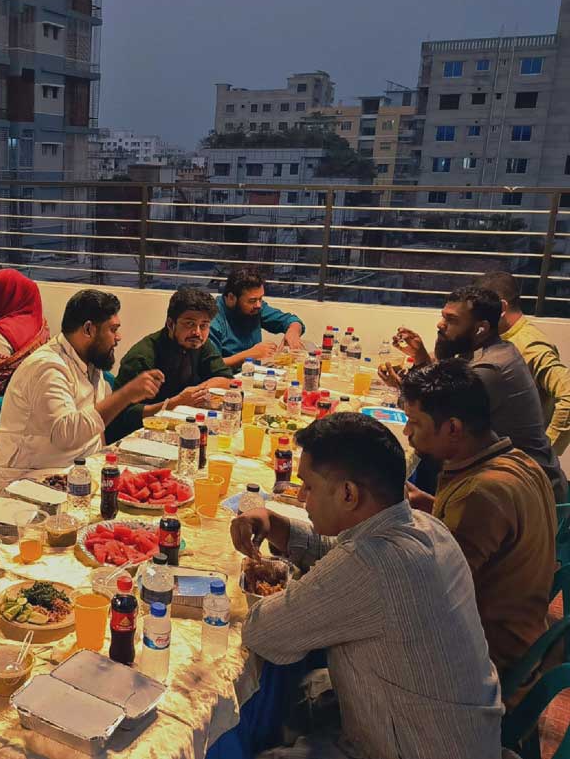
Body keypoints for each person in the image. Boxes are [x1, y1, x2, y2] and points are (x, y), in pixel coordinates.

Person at [231, 412, 502, 759]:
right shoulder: (424, 526)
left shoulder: (370, 565)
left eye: (309, 486)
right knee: (306, 691)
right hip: (460, 733)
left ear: (348, 493)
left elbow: (262, 633)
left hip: (412, 747)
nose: (301, 498)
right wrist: (276, 525)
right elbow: (336, 551)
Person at [400, 359, 556, 677]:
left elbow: (432, 593)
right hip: (523, 635)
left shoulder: (480, 494)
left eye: (414, 423)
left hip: (485, 658)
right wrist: (427, 505)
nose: (407, 432)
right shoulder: (519, 461)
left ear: (453, 428)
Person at [380, 285, 567, 500]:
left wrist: (404, 387)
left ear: (481, 328)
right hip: (508, 481)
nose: (440, 325)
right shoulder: (489, 351)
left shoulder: (489, 369)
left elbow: (432, 414)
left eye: (451, 320)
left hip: (528, 492)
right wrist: (421, 359)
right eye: (443, 317)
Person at [0, 290, 163, 491]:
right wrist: (125, 395)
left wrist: (105, 463)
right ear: (89, 329)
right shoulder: (47, 368)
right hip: (30, 476)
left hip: (75, 468)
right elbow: (66, 435)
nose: (119, 337)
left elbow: (95, 429)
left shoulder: (91, 360)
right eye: (113, 329)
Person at [476, 270, 570, 455]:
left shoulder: (530, 345)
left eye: (481, 310)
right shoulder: (498, 337)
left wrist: (544, 451)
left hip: (518, 463)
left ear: (502, 307)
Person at [114, 286, 232, 412]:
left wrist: (196, 393)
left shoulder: (199, 343)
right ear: (170, 324)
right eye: (190, 324)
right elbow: (121, 415)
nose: (197, 332)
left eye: (204, 325)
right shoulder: (142, 357)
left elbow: (227, 379)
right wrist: (174, 404)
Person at [210, 267, 305, 368]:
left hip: (253, 372)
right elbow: (210, 366)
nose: (258, 305)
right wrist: (249, 355)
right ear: (231, 298)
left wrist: (293, 332)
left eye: (260, 298)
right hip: (225, 379)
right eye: (252, 300)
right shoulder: (211, 319)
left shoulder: (256, 309)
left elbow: (291, 320)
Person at [0, 268, 50, 398]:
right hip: (36, 395)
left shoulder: (0, 337)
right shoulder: (39, 322)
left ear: (7, 297)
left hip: (3, 407)